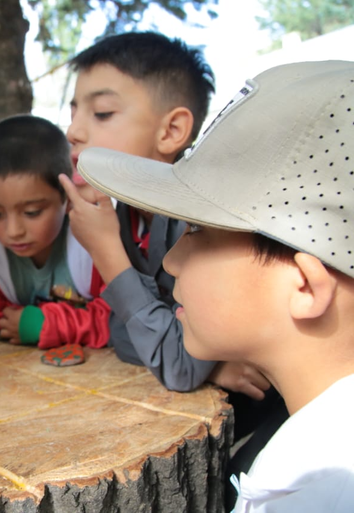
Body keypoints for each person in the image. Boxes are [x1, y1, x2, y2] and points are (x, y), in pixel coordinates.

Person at [71, 59, 354, 513]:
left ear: (304, 286)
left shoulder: (315, 493)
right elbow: (121, 331)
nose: (172, 259)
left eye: (199, 231)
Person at [61, 34, 287, 501]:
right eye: (73, 111)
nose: (74, 132)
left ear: (172, 131)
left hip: (264, 438)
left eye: (101, 113)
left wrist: (108, 255)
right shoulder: (119, 214)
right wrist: (207, 362)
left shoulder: (204, 219)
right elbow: (118, 333)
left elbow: (178, 367)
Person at [0, 115, 112, 349]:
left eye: (31, 212)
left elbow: (122, 320)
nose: (13, 231)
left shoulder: (97, 239)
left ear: (67, 197)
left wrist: (48, 325)